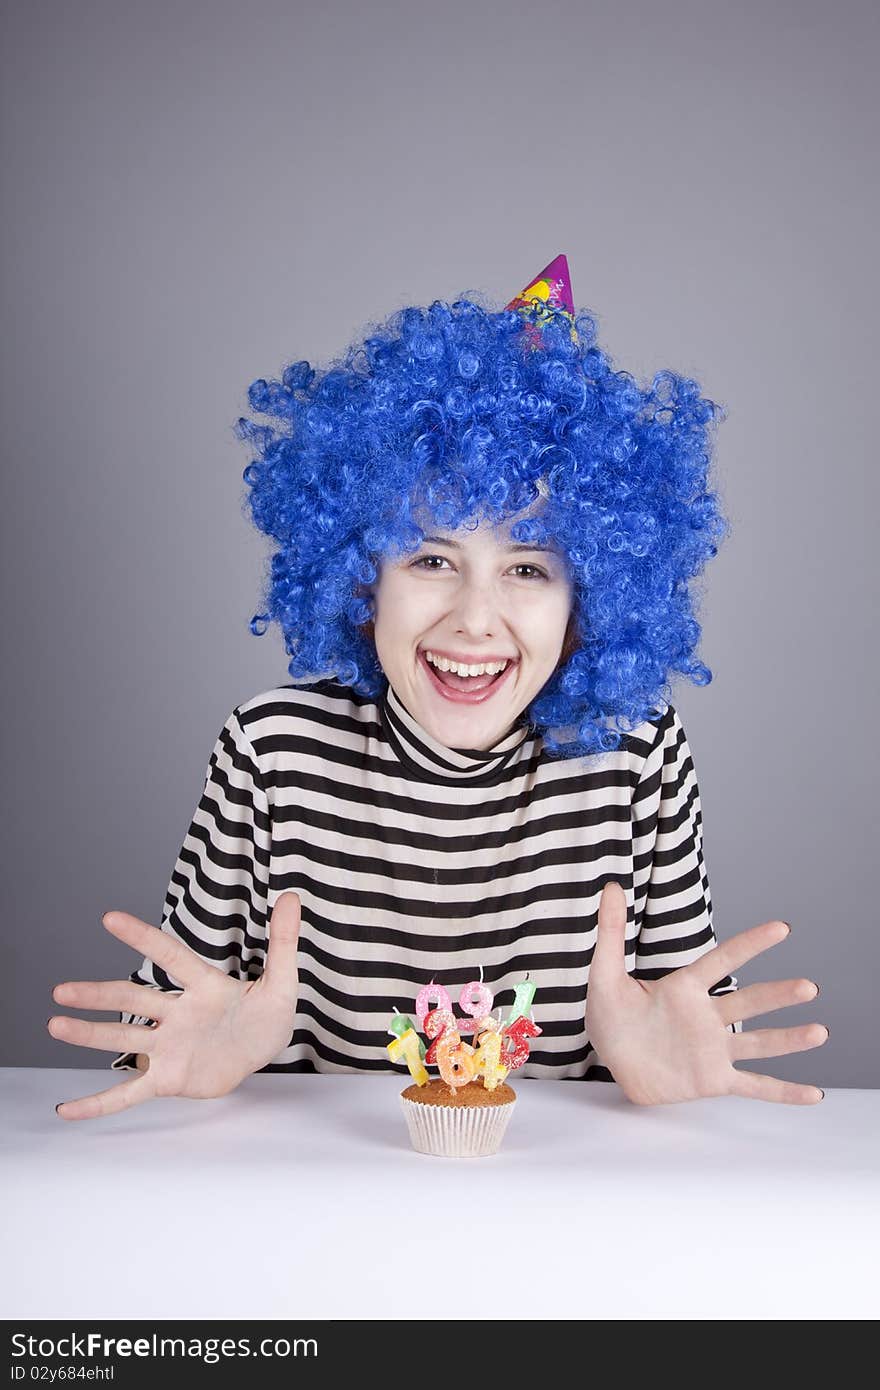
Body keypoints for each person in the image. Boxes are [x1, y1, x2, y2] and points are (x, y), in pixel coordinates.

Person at [48, 255, 827, 1120]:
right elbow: (149, 1036)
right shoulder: (273, 753)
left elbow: (682, 1031)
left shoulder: (636, 757)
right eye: (430, 559)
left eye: (528, 566)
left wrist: (661, 1080)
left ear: (589, 601)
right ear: (360, 576)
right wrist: (202, 1055)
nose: (476, 619)